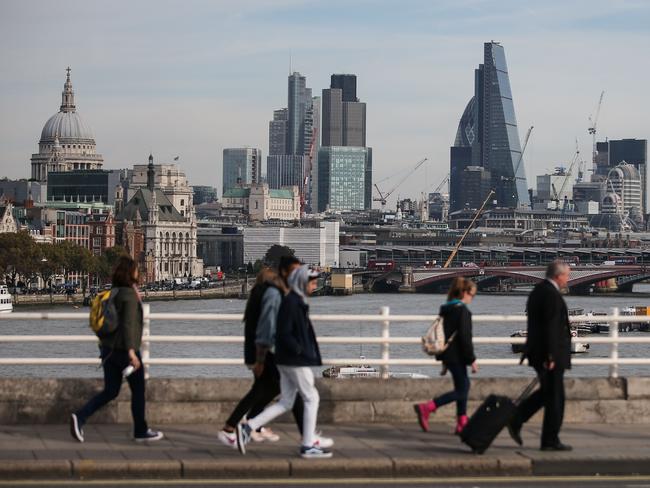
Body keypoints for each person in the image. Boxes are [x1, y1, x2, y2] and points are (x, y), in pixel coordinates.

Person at [236, 265, 333, 459]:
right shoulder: (293, 303)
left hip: (285, 359)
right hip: (294, 359)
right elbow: (285, 333)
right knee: (311, 397)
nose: (315, 286)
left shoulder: (293, 300)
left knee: (287, 401)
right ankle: (307, 444)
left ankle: (249, 426)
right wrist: (300, 350)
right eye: (312, 283)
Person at [70, 256, 163, 443]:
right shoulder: (129, 294)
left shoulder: (114, 292)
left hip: (108, 350)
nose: (138, 272)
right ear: (131, 273)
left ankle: (80, 417)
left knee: (111, 391)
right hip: (124, 351)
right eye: (136, 269)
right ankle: (140, 431)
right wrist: (131, 352)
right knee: (138, 390)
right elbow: (128, 324)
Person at [217, 260, 305, 447]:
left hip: (261, 353)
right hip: (265, 354)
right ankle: (234, 427)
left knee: (266, 390)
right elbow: (267, 330)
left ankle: (248, 426)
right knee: (273, 391)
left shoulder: (259, 295)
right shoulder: (272, 295)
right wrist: (260, 359)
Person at [507, 261, 572, 451]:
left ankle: (517, 419)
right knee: (556, 398)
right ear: (558, 276)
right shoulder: (551, 295)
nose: (568, 279)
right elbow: (551, 327)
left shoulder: (538, 291)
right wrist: (551, 355)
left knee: (547, 394)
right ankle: (549, 440)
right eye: (567, 275)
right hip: (548, 354)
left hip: (539, 352)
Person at [413, 277, 478, 435]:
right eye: (471, 294)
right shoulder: (463, 311)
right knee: (463, 389)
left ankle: (462, 422)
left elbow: (446, 335)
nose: (472, 298)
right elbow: (464, 337)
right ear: (464, 292)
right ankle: (428, 407)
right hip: (458, 356)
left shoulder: (446, 309)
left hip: (448, 355)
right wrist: (472, 359)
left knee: (462, 386)